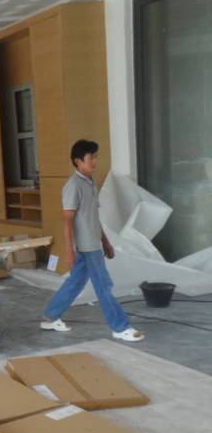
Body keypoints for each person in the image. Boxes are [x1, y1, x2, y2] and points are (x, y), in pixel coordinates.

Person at [41, 140, 144, 342]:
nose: (95, 161)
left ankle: (51, 316)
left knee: (76, 282)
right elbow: (68, 221)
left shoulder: (90, 182)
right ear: (78, 161)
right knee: (103, 286)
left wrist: (105, 242)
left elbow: (93, 218)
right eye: (91, 158)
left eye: (96, 157)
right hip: (86, 247)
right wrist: (69, 250)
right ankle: (120, 327)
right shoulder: (73, 186)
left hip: (93, 243)